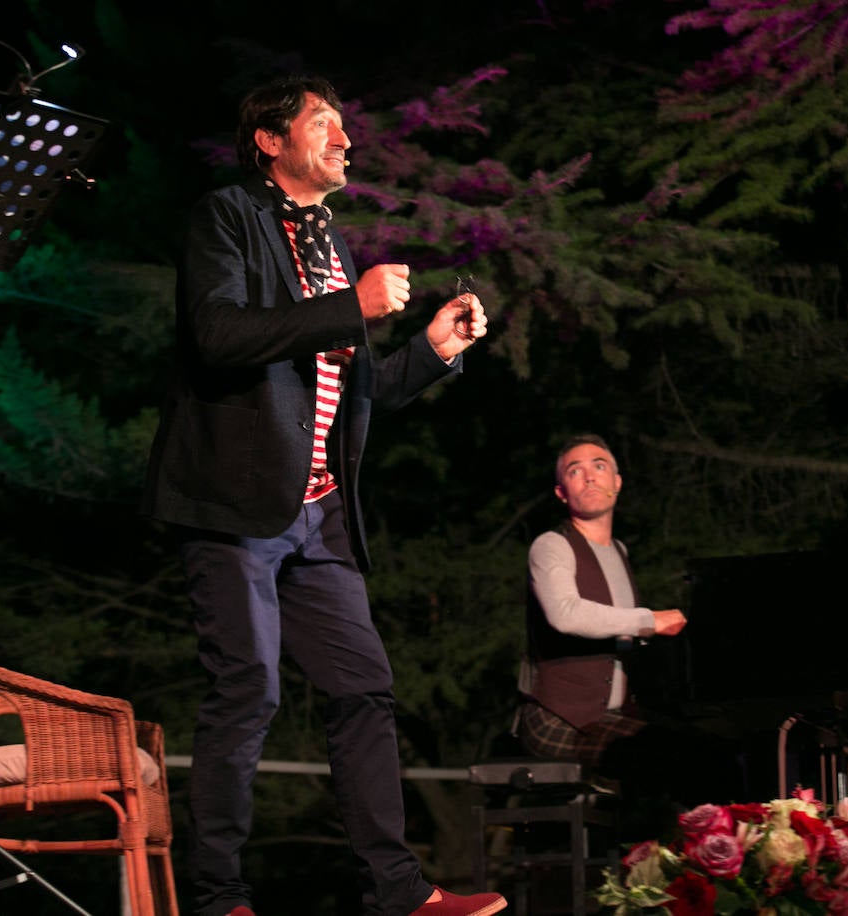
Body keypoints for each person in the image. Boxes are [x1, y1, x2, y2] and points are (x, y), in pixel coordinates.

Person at [141, 75, 505, 916]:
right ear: (270, 140)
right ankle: (217, 897)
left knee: (363, 687)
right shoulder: (226, 215)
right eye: (326, 126)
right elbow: (220, 335)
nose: (346, 142)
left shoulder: (330, 244)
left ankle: (400, 892)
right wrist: (353, 305)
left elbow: (356, 389)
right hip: (234, 505)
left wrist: (433, 351)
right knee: (249, 690)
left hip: (319, 513)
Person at [517, 434, 686, 776]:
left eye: (599, 466)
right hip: (558, 717)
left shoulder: (619, 551)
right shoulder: (552, 545)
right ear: (562, 492)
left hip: (612, 715)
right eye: (575, 471)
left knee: (698, 744)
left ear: (616, 482)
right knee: (662, 756)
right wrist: (649, 620)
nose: (590, 476)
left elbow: (621, 633)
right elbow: (565, 614)